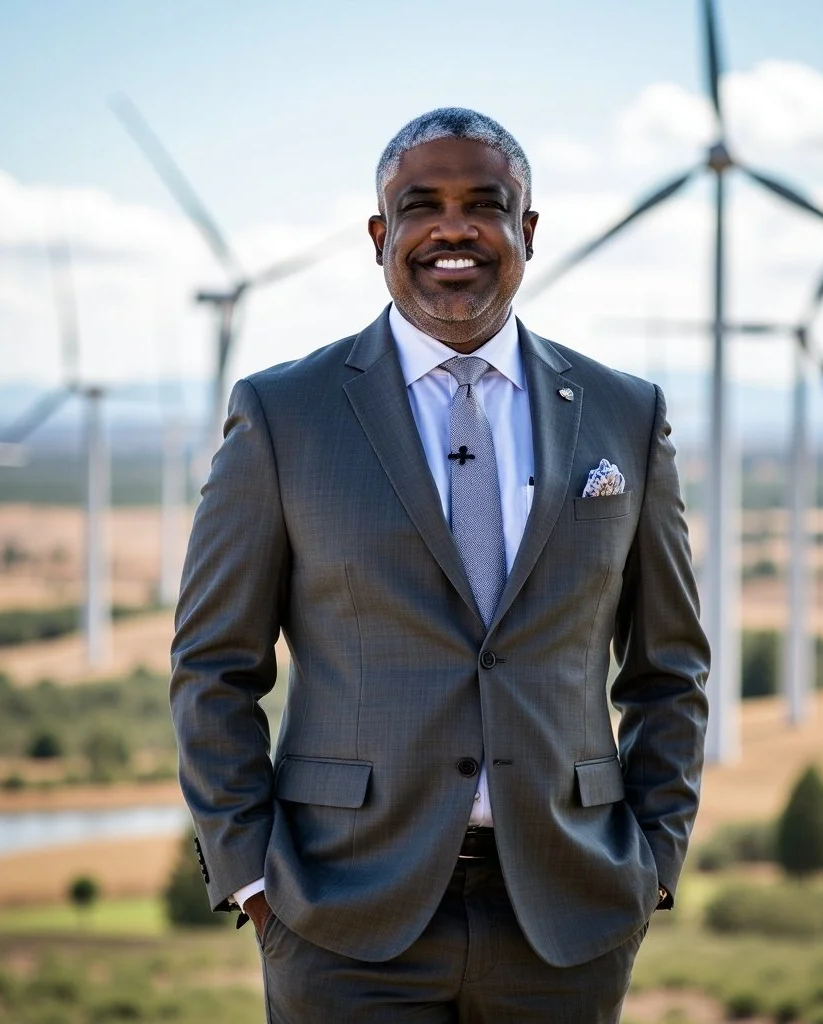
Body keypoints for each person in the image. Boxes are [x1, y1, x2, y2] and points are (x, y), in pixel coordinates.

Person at [170, 107, 709, 1023]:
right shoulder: (283, 416)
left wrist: (652, 864)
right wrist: (251, 876)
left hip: (571, 917)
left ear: (527, 233)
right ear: (380, 235)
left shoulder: (624, 414)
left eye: (485, 205)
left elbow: (670, 668)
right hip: (341, 918)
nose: (453, 229)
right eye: (421, 205)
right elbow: (213, 668)